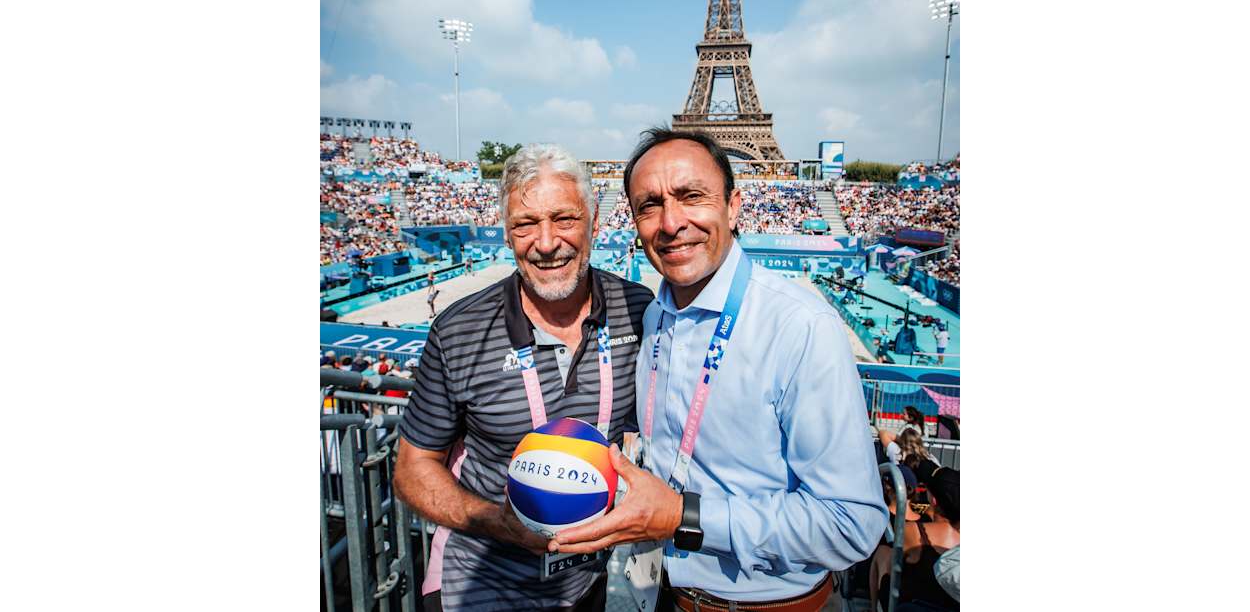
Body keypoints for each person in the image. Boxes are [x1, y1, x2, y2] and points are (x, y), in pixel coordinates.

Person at [551, 128, 886, 612]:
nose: (670, 222)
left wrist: (683, 517)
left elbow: (851, 523)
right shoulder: (653, 317)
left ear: (733, 205)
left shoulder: (800, 327)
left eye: (692, 196)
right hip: (660, 594)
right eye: (649, 205)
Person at [393, 144, 654, 612]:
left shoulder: (639, 310)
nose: (547, 242)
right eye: (525, 224)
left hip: (587, 587)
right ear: (506, 232)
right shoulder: (458, 331)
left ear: (595, 218)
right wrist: (494, 520)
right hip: (483, 587)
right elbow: (413, 469)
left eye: (564, 219)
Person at [868, 467, 959, 611]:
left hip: (914, 605)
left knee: (883, 552)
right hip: (949, 605)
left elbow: (893, 569)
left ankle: (873, 608)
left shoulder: (914, 530)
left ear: (933, 500)